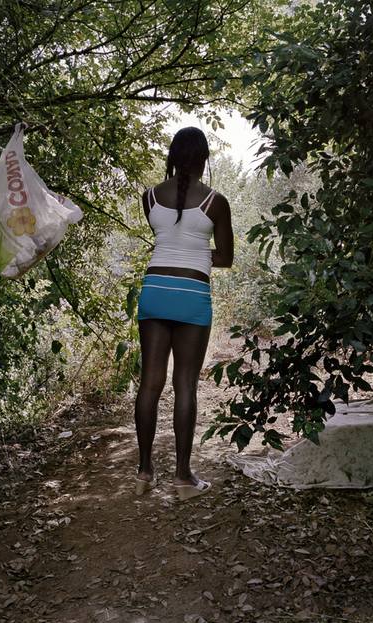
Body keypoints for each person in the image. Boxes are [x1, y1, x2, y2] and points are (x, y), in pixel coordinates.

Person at [133, 127, 233, 500]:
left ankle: (143, 473)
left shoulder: (149, 198)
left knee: (150, 382)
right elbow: (225, 257)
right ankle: (183, 478)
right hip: (192, 293)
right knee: (184, 384)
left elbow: (167, 238)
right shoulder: (215, 202)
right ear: (204, 159)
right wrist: (197, 256)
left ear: (173, 156)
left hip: (154, 291)